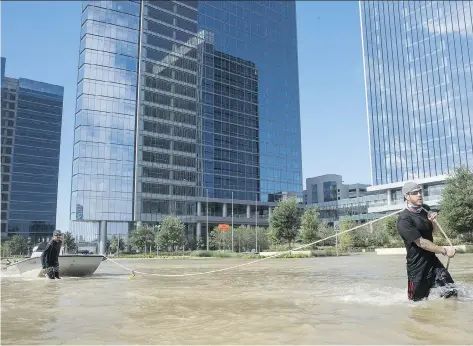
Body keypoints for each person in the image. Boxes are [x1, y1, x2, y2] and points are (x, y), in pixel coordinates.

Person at [396, 182, 457, 301]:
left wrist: (433, 222)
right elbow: (421, 242)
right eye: (415, 193)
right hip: (417, 267)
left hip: (432, 261)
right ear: (407, 196)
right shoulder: (404, 219)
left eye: (420, 192)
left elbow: (433, 233)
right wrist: (444, 250)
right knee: (417, 303)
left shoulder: (426, 210)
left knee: (451, 292)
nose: (419, 195)